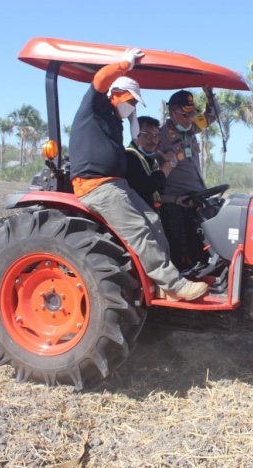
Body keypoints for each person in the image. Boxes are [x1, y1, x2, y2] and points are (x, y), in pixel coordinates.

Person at [68, 48, 208, 302]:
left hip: (116, 185)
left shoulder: (114, 119)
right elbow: (100, 81)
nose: (131, 107)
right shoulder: (94, 108)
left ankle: (165, 283)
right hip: (97, 187)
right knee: (138, 230)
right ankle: (174, 284)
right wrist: (124, 65)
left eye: (134, 103)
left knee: (153, 220)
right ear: (117, 94)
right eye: (131, 101)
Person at [158, 88, 218, 270]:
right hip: (176, 203)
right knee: (182, 253)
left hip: (198, 197)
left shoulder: (191, 129)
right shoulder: (160, 137)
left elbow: (211, 116)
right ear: (172, 113)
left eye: (192, 114)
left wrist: (209, 95)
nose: (190, 119)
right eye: (185, 115)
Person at [125, 116, 175, 210]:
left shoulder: (151, 160)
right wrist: (166, 169)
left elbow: (155, 197)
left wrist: (176, 199)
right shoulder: (129, 156)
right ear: (135, 134)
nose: (153, 140)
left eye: (156, 135)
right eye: (147, 134)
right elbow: (145, 189)